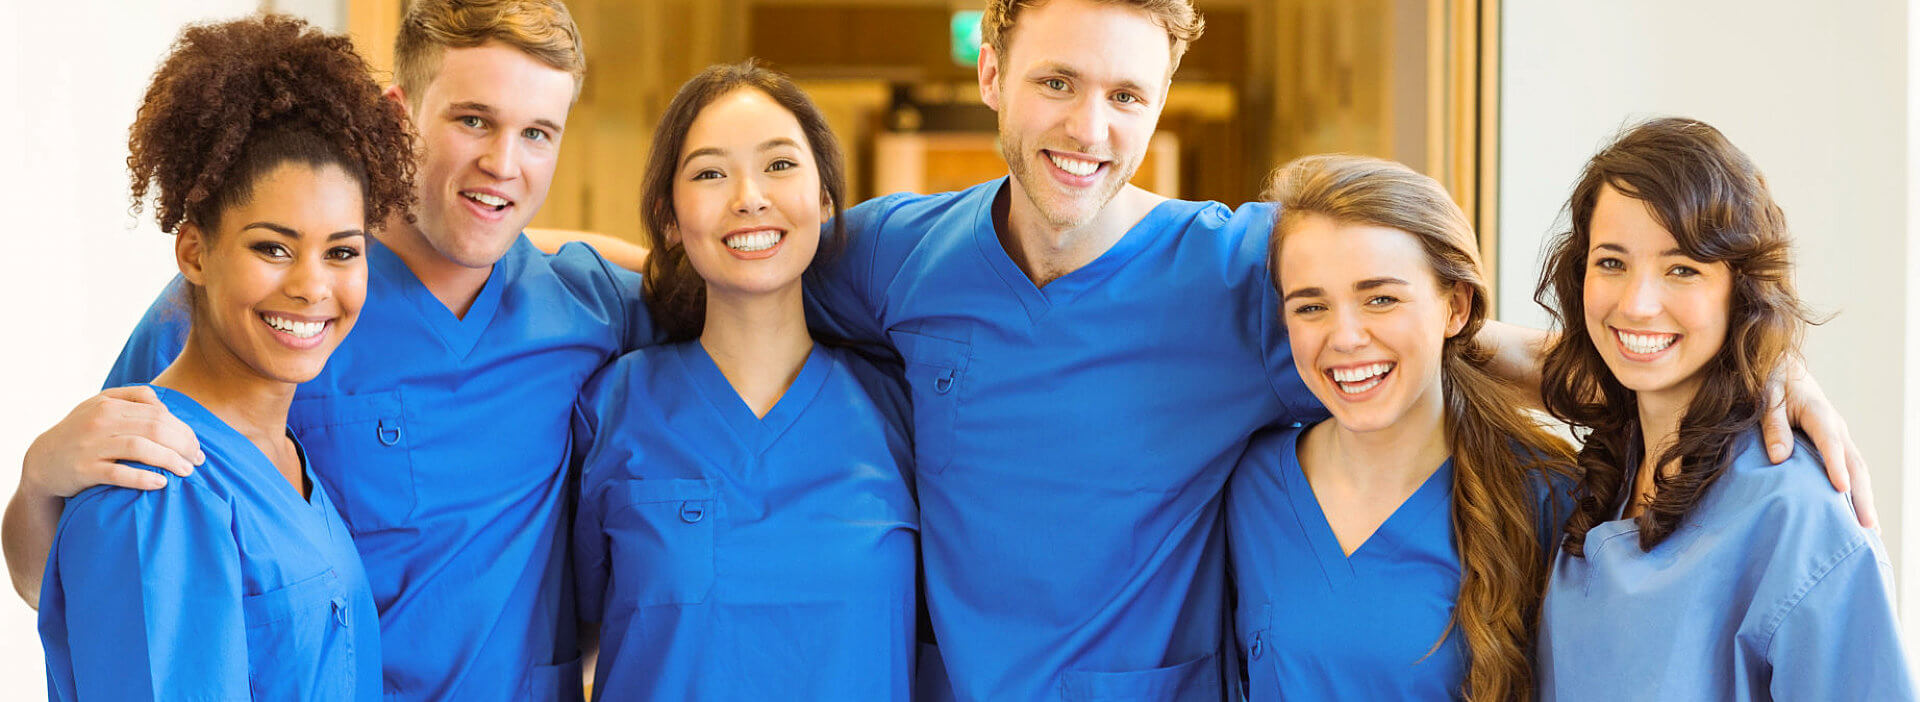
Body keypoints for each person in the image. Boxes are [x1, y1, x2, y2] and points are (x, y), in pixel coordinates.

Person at [8, 1, 653, 699]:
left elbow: (736, 292)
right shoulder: (261, 307)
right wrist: (38, 483)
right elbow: (104, 572)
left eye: (537, 133)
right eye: (473, 120)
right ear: (400, 113)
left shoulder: (587, 308)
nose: (502, 162)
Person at [37, 14, 413, 700]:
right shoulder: (155, 490)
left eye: (343, 251)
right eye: (272, 246)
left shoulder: (291, 465)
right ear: (195, 252)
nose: (311, 287)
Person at [571, 61, 917, 700]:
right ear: (669, 218)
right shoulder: (612, 408)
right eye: (709, 173)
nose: (749, 196)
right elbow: (577, 633)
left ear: (824, 198)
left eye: (780, 165)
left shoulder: (897, 409)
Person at [1534, 118, 1913, 699]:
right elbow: (1438, 349)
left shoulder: (1797, 516)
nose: (1636, 303)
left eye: (1682, 268)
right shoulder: (1606, 473)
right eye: (1611, 262)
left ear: (1742, 287)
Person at [1227, 155, 1574, 700]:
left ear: (1455, 307)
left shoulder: (1547, 497)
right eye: (1311, 306)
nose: (1344, 338)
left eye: (1381, 298)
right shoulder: (1253, 483)